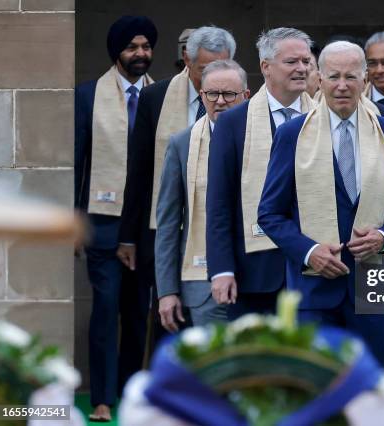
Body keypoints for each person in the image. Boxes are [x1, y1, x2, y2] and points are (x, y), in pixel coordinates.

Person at [257, 41, 384, 370]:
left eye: (350, 77)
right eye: (333, 77)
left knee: (371, 395)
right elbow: (269, 214)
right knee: (315, 392)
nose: (342, 85)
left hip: (371, 288)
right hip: (313, 289)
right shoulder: (292, 134)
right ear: (318, 78)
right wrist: (309, 250)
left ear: (365, 80)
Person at [117, 26, 235, 341]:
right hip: (169, 225)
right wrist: (128, 235)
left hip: (225, 240)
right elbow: (139, 168)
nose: (213, 80)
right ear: (186, 59)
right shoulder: (157, 97)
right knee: (168, 323)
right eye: (203, 70)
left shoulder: (245, 115)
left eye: (219, 68)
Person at [74, 15, 157, 422]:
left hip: (146, 227)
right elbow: (75, 162)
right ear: (117, 52)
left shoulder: (162, 96)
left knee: (138, 312)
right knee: (105, 309)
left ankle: (129, 394)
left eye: (145, 47)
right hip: (103, 224)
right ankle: (103, 397)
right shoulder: (88, 95)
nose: (140, 54)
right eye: (132, 47)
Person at [206, 27, 315, 319]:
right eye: (292, 62)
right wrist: (222, 269)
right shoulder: (233, 122)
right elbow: (218, 203)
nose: (302, 68)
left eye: (307, 61)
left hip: (315, 271)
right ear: (266, 67)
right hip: (254, 272)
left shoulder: (323, 118)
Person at [155, 60, 250, 333]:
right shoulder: (181, 143)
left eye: (229, 94)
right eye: (211, 94)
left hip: (257, 280)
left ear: (246, 96)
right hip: (202, 284)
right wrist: (167, 291)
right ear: (202, 96)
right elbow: (168, 222)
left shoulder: (266, 138)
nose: (219, 102)